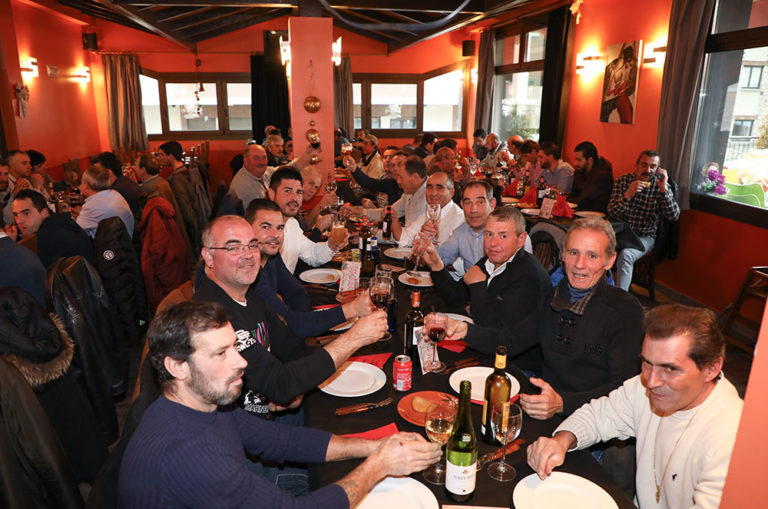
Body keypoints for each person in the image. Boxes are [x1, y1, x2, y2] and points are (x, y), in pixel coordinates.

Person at [119, 300, 439, 508]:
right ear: (177, 367)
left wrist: (375, 446)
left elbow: (280, 440)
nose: (241, 362)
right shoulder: (190, 454)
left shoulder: (205, 402)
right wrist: (379, 465)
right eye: (221, 353)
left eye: (235, 347)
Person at [526, 304, 742, 509]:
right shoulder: (645, 387)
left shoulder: (730, 441)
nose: (652, 381)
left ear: (712, 368)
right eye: (647, 363)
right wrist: (561, 440)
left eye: (669, 369)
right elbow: (597, 415)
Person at [420, 206, 550, 371]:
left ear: (521, 239)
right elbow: (455, 297)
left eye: (503, 236)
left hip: (516, 367)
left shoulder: (529, 277)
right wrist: (436, 265)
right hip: (487, 348)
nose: (493, 243)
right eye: (489, 234)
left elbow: (501, 337)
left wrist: (478, 287)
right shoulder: (490, 261)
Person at [247, 199, 372, 338]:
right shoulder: (249, 275)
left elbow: (298, 295)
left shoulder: (271, 258)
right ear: (247, 229)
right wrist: (352, 309)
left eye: (280, 228)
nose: (275, 235)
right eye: (265, 227)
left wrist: (305, 324)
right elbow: (293, 324)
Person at [607, 150, 680, 291]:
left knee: (626, 255)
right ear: (637, 165)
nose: (648, 170)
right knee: (596, 245)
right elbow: (611, 211)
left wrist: (664, 190)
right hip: (620, 233)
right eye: (644, 165)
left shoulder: (661, 186)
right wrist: (628, 195)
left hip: (644, 236)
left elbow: (674, 216)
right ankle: (594, 289)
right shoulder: (623, 181)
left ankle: (620, 298)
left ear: (657, 169)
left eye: (653, 166)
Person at [267, 167, 344, 273]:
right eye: (287, 191)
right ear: (272, 194)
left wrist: (332, 244)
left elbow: (312, 254)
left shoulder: (292, 224)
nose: (294, 197)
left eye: (299, 192)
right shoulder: (262, 229)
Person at [12, 189, 94, 268]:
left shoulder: (47, 236)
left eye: (26, 213)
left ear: (44, 213)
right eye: (16, 215)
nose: (19, 221)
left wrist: (9, 243)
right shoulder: (63, 223)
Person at [136, 153, 193, 257]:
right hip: (176, 235)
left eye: (136, 165)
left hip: (161, 238)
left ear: (143, 170)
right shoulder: (162, 181)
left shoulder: (145, 190)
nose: (134, 168)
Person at [397, 170, 465, 248]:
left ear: (451, 192)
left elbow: (446, 253)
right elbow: (406, 238)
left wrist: (421, 239)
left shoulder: (459, 219)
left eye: (439, 188)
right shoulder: (431, 212)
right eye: (429, 187)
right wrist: (394, 219)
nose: (433, 193)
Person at [158, 141, 205, 253]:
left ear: (171, 156)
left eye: (161, 155)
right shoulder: (185, 172)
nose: (159, 158)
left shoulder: (177, 179)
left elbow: (187, 212)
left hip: (190, 233)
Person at [76, 165, 134, 238]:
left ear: (86, 185)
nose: (79, 186)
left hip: (114, 244)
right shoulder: (115, 193)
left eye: (81, 183)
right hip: (127, 240)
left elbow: (76, 231)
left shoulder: (91, 206)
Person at [94, 151, 145, 221]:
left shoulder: (115, 192)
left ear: (109, 173)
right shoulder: (125, 181)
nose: (95, 176)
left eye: (98, 172)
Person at [568, 141, 614, 213]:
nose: (575, 163)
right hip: (580, 211)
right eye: (575, 159)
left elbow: (583, 199)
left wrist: (565, 203)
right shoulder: (580, 170)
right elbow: (573, 195)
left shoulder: (603, 175)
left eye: (579, 160)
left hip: (596, 215)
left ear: (590, 160)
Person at [601, 43, 638, 124]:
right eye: (629, 64)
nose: (630, 66)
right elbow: (617, 87)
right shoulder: (618, 70)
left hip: (617, 96)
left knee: (627, 114)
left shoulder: (628, 70)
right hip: (611, 98)